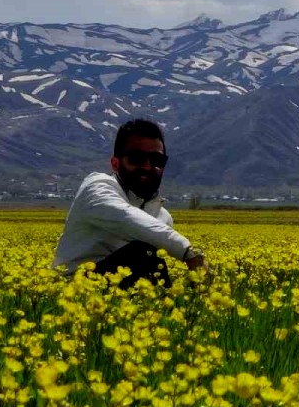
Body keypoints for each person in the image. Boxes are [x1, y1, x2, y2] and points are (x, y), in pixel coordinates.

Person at [53, 118, 206, 288]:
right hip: (71, 290)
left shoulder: (162, 217)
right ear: (115, 164)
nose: (147, 167)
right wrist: (188, 252)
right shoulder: (96, 187)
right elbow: (126, 217)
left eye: (157, 160)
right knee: (142, 253)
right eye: (137, 158)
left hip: (120, 295)